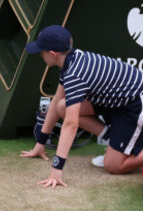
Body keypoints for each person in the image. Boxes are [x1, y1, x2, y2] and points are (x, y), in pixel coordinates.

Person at [20, 25, 143, 188]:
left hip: (135, 105)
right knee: (62, 106)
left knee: (113, 166)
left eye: (41, 52)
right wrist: (39, 144)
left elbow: (70, 125)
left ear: (53, 54)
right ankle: (114, 142)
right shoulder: (71, 60)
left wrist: (56, 170)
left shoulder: (74, 74)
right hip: (116, 101)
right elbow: (56, 102)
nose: (40, 56)